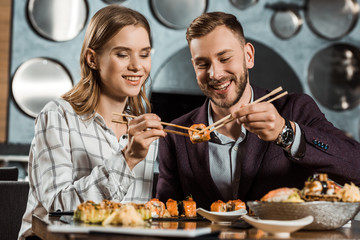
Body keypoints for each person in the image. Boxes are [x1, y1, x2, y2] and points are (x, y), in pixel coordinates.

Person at [156, 11, 360, 209]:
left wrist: (285, 133)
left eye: (225, 58)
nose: (215, 74)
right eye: (202, 64)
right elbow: (167, 216)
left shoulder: (294, 109)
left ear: (248, 56)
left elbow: (355, 166)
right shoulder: (177, 134)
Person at [18, 5, 166, 239]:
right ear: (92, 59)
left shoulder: (141, 129)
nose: (137, 66)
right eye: (122, 54)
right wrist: (127, 159)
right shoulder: (57, 116)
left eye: (144, 54)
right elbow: (59, 207)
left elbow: (135, 219)